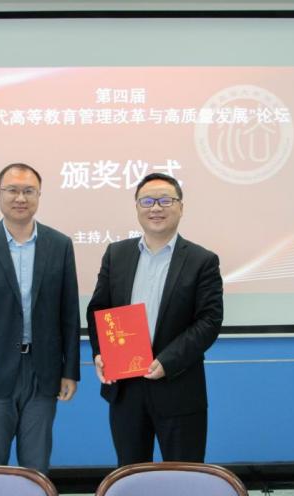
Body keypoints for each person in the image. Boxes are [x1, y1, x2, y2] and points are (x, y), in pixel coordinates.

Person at [87, 172, 223, 466]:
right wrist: (100, 353)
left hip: (178, 386)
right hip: (126, 389)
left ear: (181, 207)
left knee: (185, 475)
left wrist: (167, 362)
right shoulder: (116, 254)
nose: (156, 208)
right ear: (137, 207)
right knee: (131, 473)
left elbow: (209, 321)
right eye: (147, 201)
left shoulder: (202, 260)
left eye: (165, 200)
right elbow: (99, 310)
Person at [0, 163, 80, 474]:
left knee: (36, 466)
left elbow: (69, 313)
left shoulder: (59, 244)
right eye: (12, 190)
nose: (20, 198)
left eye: (28, 191)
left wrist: (70, 371)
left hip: (43, 373)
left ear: (39, 196)